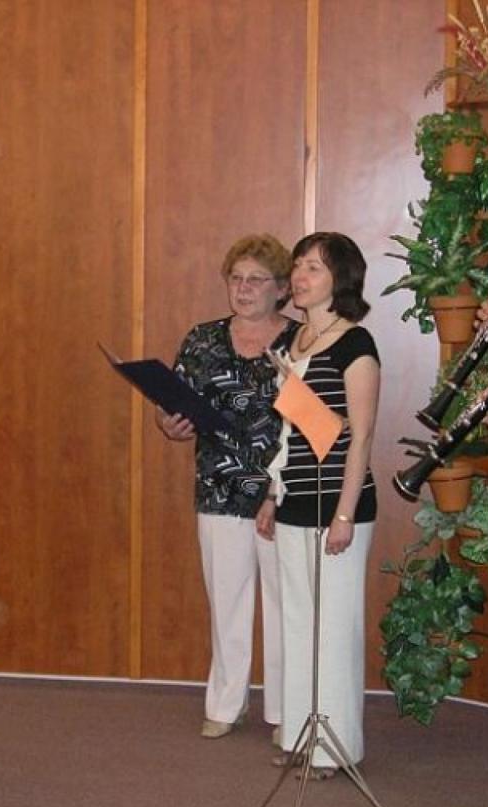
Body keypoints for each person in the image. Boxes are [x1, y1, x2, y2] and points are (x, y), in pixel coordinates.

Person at [156, 234, 298, 740]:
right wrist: (168, 423)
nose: (243, 288)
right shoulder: (203, 339)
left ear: (282, 288)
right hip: (218, 486)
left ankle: (286, 711)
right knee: (226, 600)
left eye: (256, 279)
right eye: (236, 278)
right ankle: (225, 702)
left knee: (284, 606)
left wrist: (277, 489)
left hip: (284, 491)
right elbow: (172, 403)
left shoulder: (302, 342)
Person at [263, 233, 379, 779]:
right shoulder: (293, 341)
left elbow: (361, 436)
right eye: (298, 266)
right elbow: (290, 432)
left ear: (341, 278)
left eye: (313, 267)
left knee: (332, 628)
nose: (300, 276)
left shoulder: (356, 343)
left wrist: (344, 515)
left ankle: (335, 747)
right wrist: (272, 494)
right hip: (294, 497)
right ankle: (298, 733)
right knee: (297, 623)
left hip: (337, 502)